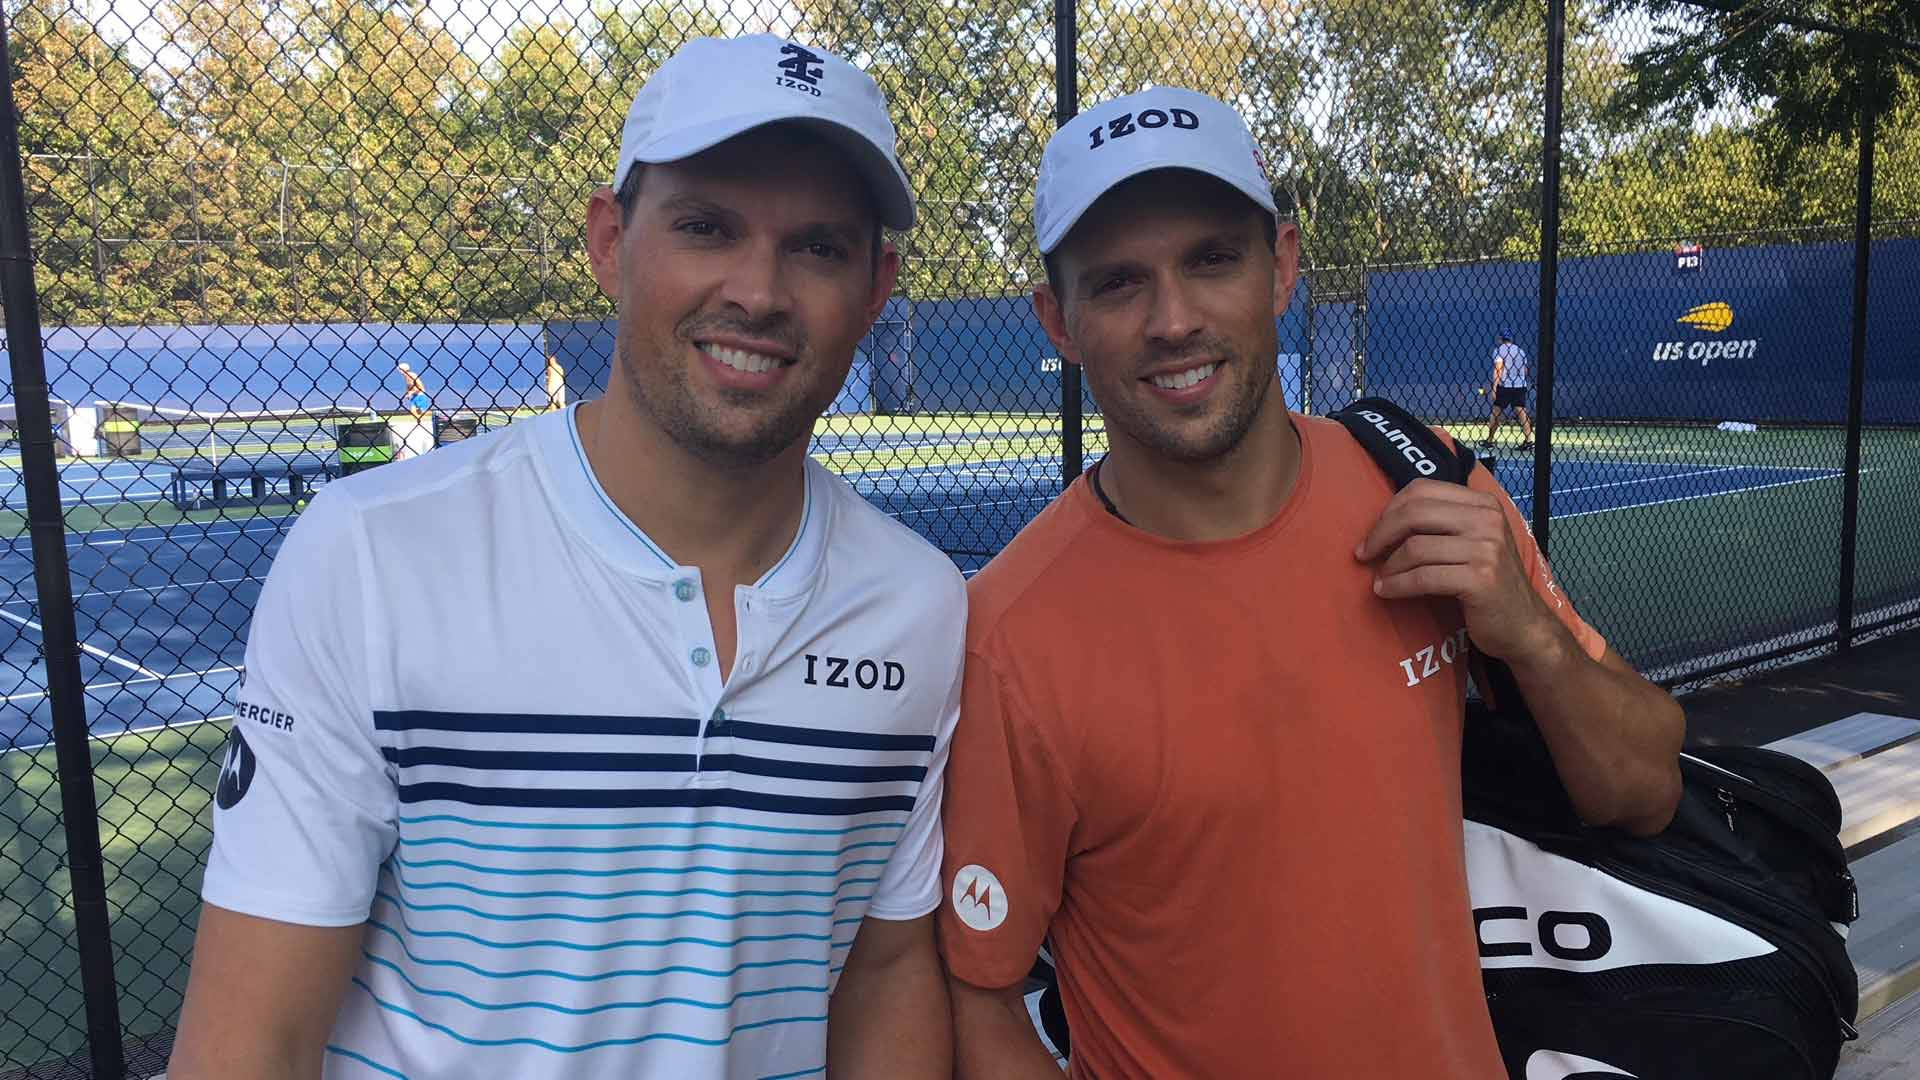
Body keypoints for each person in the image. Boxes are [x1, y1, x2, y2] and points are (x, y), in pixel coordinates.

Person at [169, 34, 962, 1080]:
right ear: (608, 240)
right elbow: (250, 1041)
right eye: (706, 227)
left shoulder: (921, 606)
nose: (758, 291)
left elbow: (888, 964)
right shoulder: (371, 557)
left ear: (876, 289)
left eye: (817, 246)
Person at [937, 87, 1685, 1079]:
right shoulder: (1010, 639)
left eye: (1212, 259)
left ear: (1282, 266)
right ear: (1058, 322)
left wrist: (1533, 641)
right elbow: (980, 997)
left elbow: (1645, 790)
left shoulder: (1424, 484)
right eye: (1118, 283)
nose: (1174, 319)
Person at [1485, 329, 1534, 451]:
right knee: (1521, 411)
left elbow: (1498, 368)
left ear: (1500, 339)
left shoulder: (1499, 350)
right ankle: (1529, 440)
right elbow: (1526, 370)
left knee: (1496, 412)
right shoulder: (1520, 351)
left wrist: (1494, 387)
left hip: (1505, 386)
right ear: (1511, 339)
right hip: (1520, 386)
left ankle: (1490, 440)